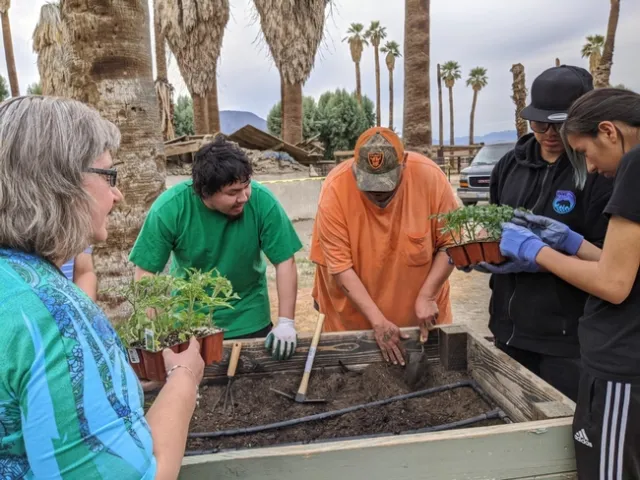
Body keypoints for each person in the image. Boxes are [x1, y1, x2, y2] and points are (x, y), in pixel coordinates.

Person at [0, 96, 203, 479]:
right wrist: (184, 378)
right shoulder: (52, 319)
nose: (118, 193)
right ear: (60, 182)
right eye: (108, 175)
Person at [498, 87, 640, 479]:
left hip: (622, 362)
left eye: (585, 152)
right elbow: (628, 267)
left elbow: (614, 284)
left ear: (609, 131)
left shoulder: (636, 165)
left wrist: (538, 251)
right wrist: (575, 245)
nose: (590, 167)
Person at [474, 65, 613, 401]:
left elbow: (609, 260)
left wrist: (544, 258)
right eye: (540, 123)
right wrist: (483, 252)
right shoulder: (509, 165)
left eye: (561, 124)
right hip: (508, 328)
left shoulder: (599, 171)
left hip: (568, 339)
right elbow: (494, 225)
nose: (550, 133)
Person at [129, 136, 303, 360]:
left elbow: (284, 260)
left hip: (249, 319)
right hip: (190, 324)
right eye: (232, 193)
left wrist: (286, 322)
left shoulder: (262, 201)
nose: (244, 197)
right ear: (205, 192)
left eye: (246, 185)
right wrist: (153, 331)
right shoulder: (170, 208)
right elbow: (146, 272)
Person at [310, 127, 458, 366]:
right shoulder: (335, 189)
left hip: (420, 323)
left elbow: (451, 244)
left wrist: (428, 295)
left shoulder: (430, 178)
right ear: (355, 168)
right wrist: (377, 322)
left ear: (404, 163)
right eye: (369, 185)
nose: (377, 192)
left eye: (386, 184)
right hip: (354, 322)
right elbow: (340, 267)